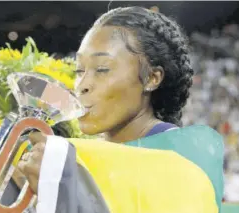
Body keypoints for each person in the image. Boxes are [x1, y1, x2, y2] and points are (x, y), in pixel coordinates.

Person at [18, 6, 223, 213]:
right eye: (79, 70)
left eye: (102, 69)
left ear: (152, 78)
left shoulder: (184, 158)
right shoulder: (77, 157)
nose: (82, 85)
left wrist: (64, 190)